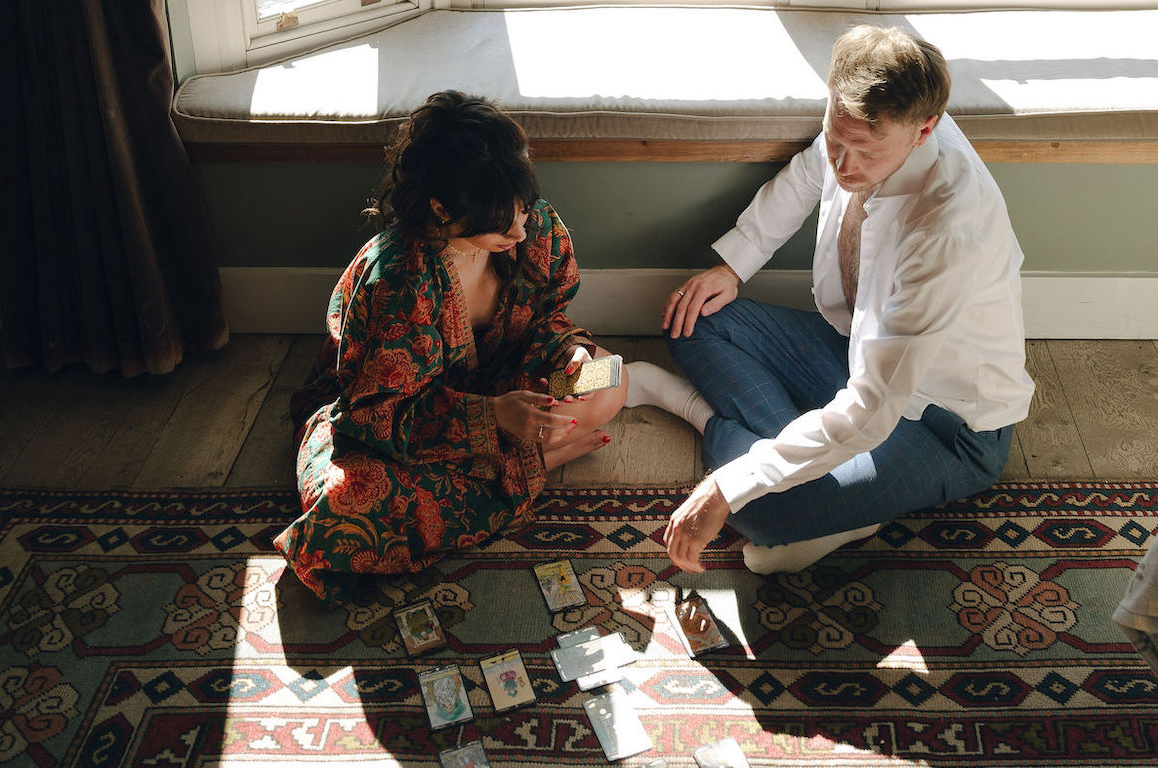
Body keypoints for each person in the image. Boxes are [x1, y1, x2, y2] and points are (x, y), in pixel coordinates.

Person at [625, 25, 1034, 575]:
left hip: (942, 424)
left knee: (758, 507)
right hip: (854, 353)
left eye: (863, 152)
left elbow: (872, 410)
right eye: (835, 138)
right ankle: (835, 498)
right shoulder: (865, 130)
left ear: (925, 130)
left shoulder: (947, 230)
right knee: (695, 315)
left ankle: (690, 407)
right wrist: (733, 266)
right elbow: (808, 171)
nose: (843, 165)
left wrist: (725, 486)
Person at [274, 90, 627, 606]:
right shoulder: (399, 280)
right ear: (441, 208)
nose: (520, 228)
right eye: (501, 219)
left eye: (523, 207)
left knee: (608, 378)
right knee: (347, 506)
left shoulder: (534, 227)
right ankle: (534, 464)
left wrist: (568, 353)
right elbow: (376, 416)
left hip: (503, 381)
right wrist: (492, 417)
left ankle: (519, 463)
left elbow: (547, 319)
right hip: (389, 423)